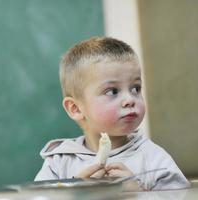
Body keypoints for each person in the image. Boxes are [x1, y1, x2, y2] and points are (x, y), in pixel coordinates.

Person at [34, 37, 190, 190]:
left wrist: (139, 194)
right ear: (76, 108)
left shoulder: (153, 159)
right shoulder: (59, 162)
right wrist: (73, 192)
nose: (130, 99)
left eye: (136, 88)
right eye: (112, 91)